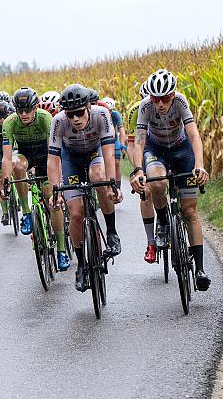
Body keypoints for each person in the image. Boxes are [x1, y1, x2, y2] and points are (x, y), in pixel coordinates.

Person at [129, 69, 211, 291]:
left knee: (189, 211)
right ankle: (164, 222)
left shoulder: (181, 102)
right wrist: (137, 170)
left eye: (165, 98)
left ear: (173, 94)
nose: (161, 104)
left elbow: (194, 135)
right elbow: (138, 141)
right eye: (156, 99)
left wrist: (199, 165)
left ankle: (200, 269)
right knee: (156, 181)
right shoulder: (145, 107)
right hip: (156, 149)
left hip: (181, 150)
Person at [48, 85, 123, 291]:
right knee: (76, 212)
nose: (75, 119)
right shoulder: (58, 121)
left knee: (98, 176)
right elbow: (53, 160)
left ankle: (111, 232)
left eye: (79, 113)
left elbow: (108, 153)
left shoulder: (102, 114)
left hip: (94, 154)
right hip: (70, 158)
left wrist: (111, 184)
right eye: (70, 114)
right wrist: (56, 191)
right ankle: (81, 265)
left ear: (88, 107)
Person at [0, 87, 70, 270]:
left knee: (52, 200)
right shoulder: (9, 123)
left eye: (27, 110)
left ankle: (62, 250)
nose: (23, 114)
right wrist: (6, 182)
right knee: (17, 164)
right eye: (20, 110)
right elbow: (7, 157)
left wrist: (55, 183)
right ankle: (26, 214)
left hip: (45, 156)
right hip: (25, 156)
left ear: (35, 107)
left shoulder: (46, 118)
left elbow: (53, 154)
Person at [126, 81, 159, 263]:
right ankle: (151, 243)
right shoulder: (136, 111)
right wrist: (138, 169)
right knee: (146, 191)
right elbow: (131, 145)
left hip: (168, 151)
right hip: (145, 153)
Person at [101, 97, 127, 183]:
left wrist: (122, 145)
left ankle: (118, 186)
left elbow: (121, 130)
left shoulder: (116, 115)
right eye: (107, 110)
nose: (109, 112)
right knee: (103, 164)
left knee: (116, 163)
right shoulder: (99, 114)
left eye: (111, 110)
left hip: (114, 140)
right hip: (102, 141)